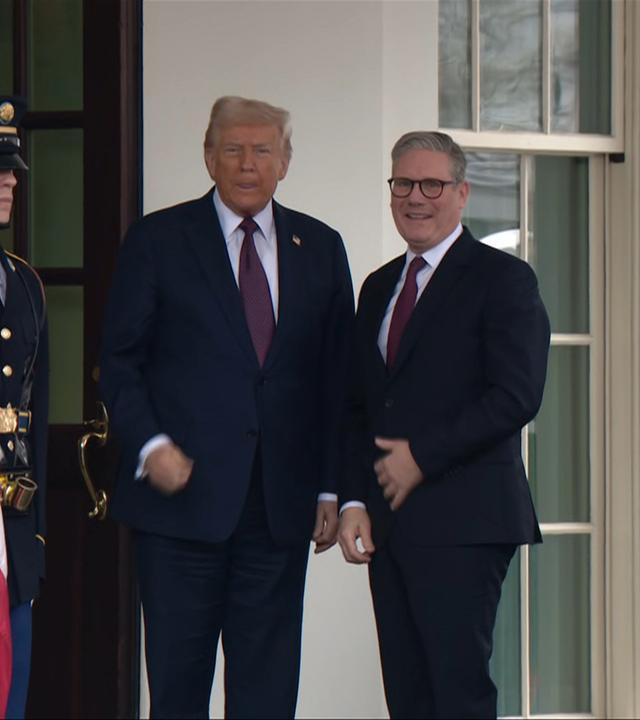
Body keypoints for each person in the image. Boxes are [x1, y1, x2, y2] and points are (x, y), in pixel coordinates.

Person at [100, 96, 353, 719]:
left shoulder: (319, 246)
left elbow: (337, 382)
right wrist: (150, 445)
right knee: (178, 692)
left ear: (285, 162)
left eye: (262, 150)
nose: (247, 164)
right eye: (233, 149)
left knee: (267, 695)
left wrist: (331, 487)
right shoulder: (158, 240)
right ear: (208, 157)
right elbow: (118, 362)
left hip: (279, 511)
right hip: (180, 512)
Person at [338, 131, 550, 719]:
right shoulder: (379, 286)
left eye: (431, 184)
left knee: (456, 694)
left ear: (462, 193)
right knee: (407, 695)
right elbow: (359, 404)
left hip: (466, 520)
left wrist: (421, 456)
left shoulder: (503, 280)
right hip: (388, 524)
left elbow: (516, 395)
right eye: (403, 183)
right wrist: (354, 496)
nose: (415, 197)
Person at [0, 96, 49, 719]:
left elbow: (34, 414)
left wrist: (33, 537)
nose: (9, 179)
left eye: (10, 168)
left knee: (11, 692)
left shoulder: (25, 283)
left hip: (10, 527)